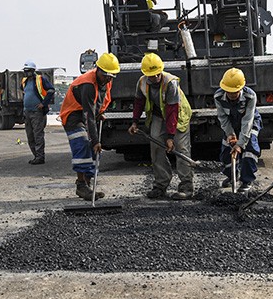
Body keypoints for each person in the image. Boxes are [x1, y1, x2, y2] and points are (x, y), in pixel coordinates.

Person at [128, 53, 194, 199]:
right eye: (152, 75)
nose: (156, 77)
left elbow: (172, 110)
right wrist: (134, 122)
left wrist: (170, 137)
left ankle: (186, 187)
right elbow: (138, 102)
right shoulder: (142, 82)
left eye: (158, 73)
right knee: (156, 146)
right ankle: (160, 185)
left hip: (178, 115)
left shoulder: (170, 82)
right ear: (146, 74)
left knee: (181, 148)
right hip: (158, 115)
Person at [60, 52, 120, 200]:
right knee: (83, 144)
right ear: (98, 70)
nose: (108, 79)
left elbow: (101, 100)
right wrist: (95, 140)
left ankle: (86, 186)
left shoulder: (106, 81)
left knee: (94, 151)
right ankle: (81, 185)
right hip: (73, 115)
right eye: (106, 75)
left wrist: (100, 112)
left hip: (88, 114)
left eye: (111, 76)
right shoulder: (87, 84)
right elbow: (88, 114)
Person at [215, 68, 262, 193]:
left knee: (249, 150)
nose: (231, 95)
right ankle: (232, 176)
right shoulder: (218, 97)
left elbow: (247, 121)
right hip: (231, 124)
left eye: (234, 92)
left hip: (250, 124)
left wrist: (240, 144)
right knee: (226, 151)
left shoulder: (250, 96)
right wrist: (230, 134)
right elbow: (223, 118)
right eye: (229, 92)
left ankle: (246, 180)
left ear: (241, 88)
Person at [21, 60, 55, 165]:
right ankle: (36, 156)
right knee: (30, 135)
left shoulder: (40, 79)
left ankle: (40, 157)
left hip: (37, 112)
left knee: (38, 135)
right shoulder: (24, 81)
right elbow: (24, 93)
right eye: (25, 71)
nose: (26, 73)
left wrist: (43, 104)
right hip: (27, 112)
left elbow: (51, 90)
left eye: (28, 71)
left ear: (32, 71)